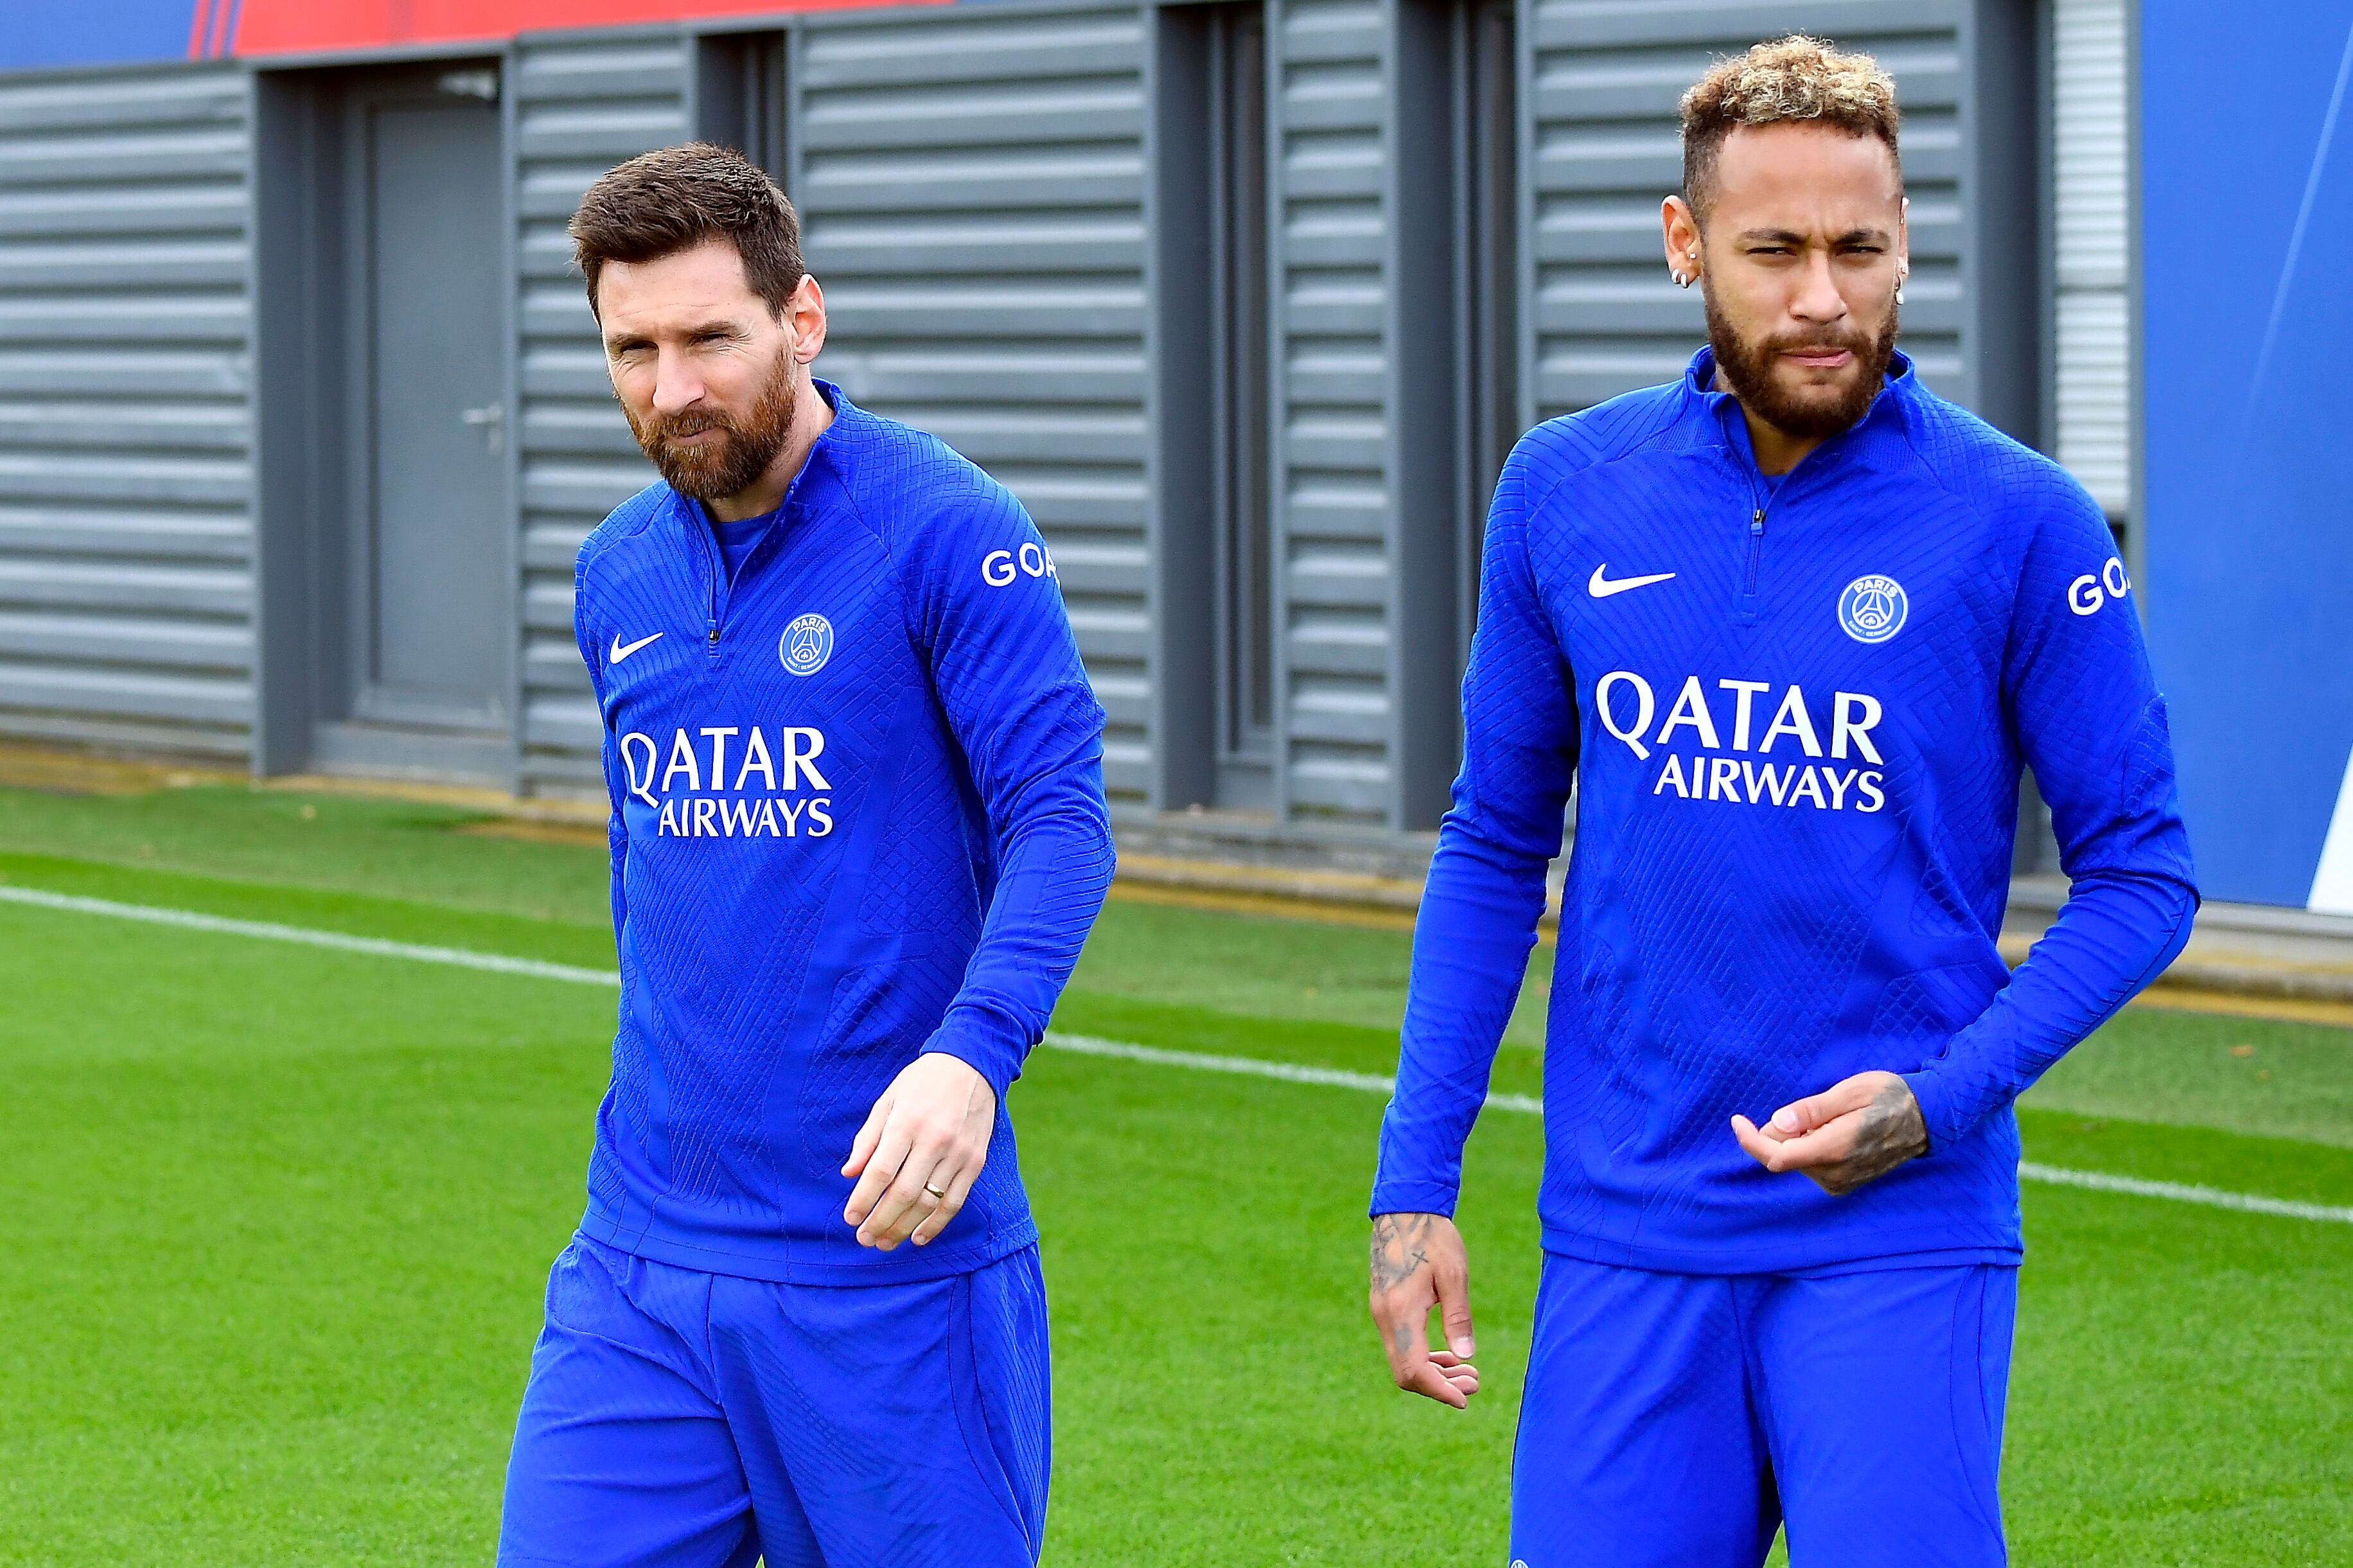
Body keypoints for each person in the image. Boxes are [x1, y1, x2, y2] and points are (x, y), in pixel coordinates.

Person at [1366, 36, 2196, 1568]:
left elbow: (2142, 878)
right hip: (1626, 1231)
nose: (1823, 296)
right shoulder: (1561, 488)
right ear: (1684, 246)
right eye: (1774, 250)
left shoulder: (2015, 518)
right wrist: (1412, 1183)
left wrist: (1934, 1103)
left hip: (1895, 1229)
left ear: (1900, 245)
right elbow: (1491, 847)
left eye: (1858, 249)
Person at [497, 143, 1113, 1568]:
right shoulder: (617, 572)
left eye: (709, 337)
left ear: (802, 319)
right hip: (639, 1268)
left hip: (884, 1269)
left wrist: (971, 1056)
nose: (672, 389)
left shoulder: (949, 531)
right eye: (631, 349)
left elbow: (1060, 819)